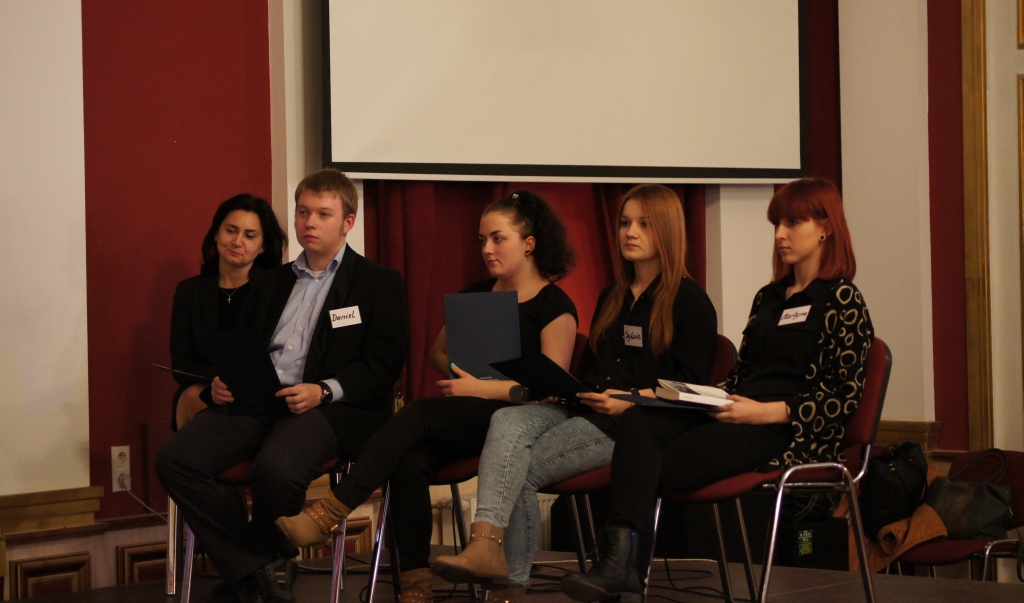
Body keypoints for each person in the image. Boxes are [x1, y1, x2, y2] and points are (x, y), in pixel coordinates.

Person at [559, 178, 873, 603]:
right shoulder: (769, 297)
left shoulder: (842, 299)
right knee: (640, 420)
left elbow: (843, 396)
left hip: (787, 432)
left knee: (643, 462)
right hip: (736, 413)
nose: (780, 234)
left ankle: (622, 568)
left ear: (825, 229)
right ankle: (621, 569)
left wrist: (763, 412)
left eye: (792, 223)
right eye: (777, 224)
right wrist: (707, 398)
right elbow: (743, 374)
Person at [275, 190, 578, 603]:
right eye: (482, 240)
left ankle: (330, 511)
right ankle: (416, 585)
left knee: (417, 414)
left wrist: (480, 387)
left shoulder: (553, 303)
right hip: (468, 412)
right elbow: (438, 354)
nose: (487, 249)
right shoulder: (476, 295)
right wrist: (465, 374)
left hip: (518, 420)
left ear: (529, 244)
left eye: (498, 239)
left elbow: (553, 384)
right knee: (409, 460)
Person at [431, 184, 718, 603]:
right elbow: (593, 370)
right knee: (508, 417)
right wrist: (558, 387)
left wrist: (630, 398)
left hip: (634, 426)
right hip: (586, 409)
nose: (629, 232)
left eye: (644, 224)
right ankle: (489, 554)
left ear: (668, 231)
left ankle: (509, 588)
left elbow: (692, 385)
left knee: (519, 471)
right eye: (624, 223)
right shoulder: (612, 296)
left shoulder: (690, 300)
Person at [157, 169, 408, 603]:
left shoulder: (377, 283)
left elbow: (383, 364)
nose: (310, 223)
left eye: (323, 214)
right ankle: (258, 564)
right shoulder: (270, 281)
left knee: (275, 471)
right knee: (176, 460)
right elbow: (246, 346)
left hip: (325, 407)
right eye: (303, 212)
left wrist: (323, 389)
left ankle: (257, 568)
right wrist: (225, 382)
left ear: (347, 222)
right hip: (260, 397)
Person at [169, 193, 287, 431]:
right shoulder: (189, 291)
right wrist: (216, 380)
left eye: (249, 236)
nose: (237, 241)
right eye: (231, 230)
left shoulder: (277, 290)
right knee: (191, 396)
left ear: (263, 246)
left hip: (260, 393)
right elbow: (182, 361)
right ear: (216, 233)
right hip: (208, 387)